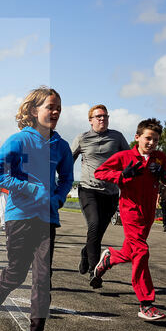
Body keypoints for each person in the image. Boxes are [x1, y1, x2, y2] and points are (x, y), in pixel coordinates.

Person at [0, 87, 73, 331]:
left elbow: (66, 178)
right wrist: (30, 189)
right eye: (49, 107)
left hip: (47, 219)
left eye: (58, 108)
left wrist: (58, 197)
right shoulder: (18, 141)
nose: (55, 112)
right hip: (19, 216)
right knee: (16, 273)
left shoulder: (62, 147)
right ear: (34, 111)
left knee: (43, 279)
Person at [91, 118, 166, 321]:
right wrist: (122, 175)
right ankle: (146, 303)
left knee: (131, 252)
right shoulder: (124, 156)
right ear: (137, 137)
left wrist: (164, 174)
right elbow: (100, 171)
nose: (151, 143)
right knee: (141, 251)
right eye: (148, 138)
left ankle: (109, 259)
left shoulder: (159, 158)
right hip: (130, 211)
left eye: (155, 140)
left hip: (148, 213)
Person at [71, 104, 130, 274]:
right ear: (90, 120)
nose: (102, 119)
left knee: (98, 233)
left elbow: (130, 159)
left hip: (111, 193)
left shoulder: (117, 137)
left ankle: (85, 252)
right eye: (98, 116)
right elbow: (68, 160)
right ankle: (94, 269)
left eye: (105, 116)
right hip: (89, 190)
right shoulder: (82, 138)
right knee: (94, 225)